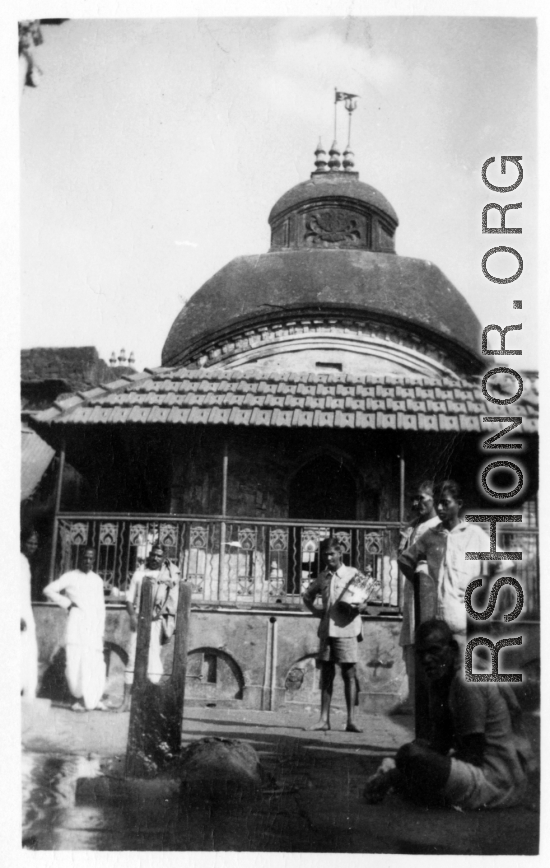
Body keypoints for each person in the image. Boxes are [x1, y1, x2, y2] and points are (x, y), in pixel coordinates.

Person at [363, 619, 535, 809]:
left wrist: (397, 775)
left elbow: (473, 754)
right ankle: (414, 787)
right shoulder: (442, 677)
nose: (427, 659)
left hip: (494, 781)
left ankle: (412, 788)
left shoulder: (466, 681)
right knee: (414, 750)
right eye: (422, 654)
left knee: (410, 755)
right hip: (478, 772)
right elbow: (440, 743)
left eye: (434, 651)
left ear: (452, 648)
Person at [398, 480, 492, 658]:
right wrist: (421, 584)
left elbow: (502, 565)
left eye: (445, 503)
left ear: (459, 504)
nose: (440, 508)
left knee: (462, 674)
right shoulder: (430, 535)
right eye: (438, 502)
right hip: (434, 624)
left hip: (461, 621)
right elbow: (405, 560)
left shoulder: (474, 534)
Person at [302, 537, 368, 733]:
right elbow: (307, 596)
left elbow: (364, 598)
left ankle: (351, 720)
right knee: (327, 674)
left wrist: (361, 606)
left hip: (347, 629)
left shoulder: (353, 574)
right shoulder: (322, 577)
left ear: (340, 553)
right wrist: (317, 612)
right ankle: (324, 719)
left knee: (349, 673)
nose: (329, 558)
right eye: (325, 555)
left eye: (332, 554)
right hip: (327, 631)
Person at [43, 547, 107, 712]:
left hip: (93, 626)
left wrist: (100, 629)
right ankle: (76, 699)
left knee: (93, 662)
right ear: (80, 559)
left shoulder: (97, 580)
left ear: (94, 560)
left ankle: (92, 699)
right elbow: (48, 590)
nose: (87, 561)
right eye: (85, 558)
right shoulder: (70, 576)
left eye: (91, 558)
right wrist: (68, 604)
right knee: (74, 662)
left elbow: (101, 607)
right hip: (77, 623)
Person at [117, 544, 180, 712]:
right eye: (153, 555)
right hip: (139, 621)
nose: (155, 558)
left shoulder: (167, 576)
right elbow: (129, 600)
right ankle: (125, 703)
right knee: (132, 659)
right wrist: (132, 616)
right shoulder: (139, 574)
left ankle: (149, 703)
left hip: (157, 623)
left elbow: (173, 601)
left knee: (154, 660)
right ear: (149, 555)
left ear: (164, 558)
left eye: (159, 556)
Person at [396, 482, 440, 713]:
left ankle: (430, 709)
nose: (417, 504)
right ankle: (417, 706)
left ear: (434, 500)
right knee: (413, 652)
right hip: (412, 596)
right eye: (414, 499)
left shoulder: (438, 527)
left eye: (422, 499)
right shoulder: (414, 527)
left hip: (429, 598)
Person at [21, 530, 39, 699]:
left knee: (27, 650)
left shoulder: (25, 562)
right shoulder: (16, 560)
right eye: (30, 542)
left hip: (26, 611)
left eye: (35, 543)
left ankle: (26, 690)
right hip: (18, 614)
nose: (32, 546)